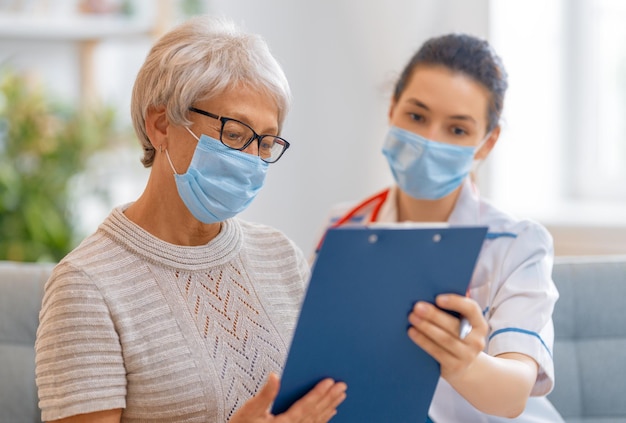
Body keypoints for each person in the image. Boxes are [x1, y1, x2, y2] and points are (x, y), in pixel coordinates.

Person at [35, 16, 347, 423]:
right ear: (161, 124)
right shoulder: (86, 286)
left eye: (266, 142)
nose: (251, 160)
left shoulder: (280, 257)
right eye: (235, 135)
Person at [315, 34, 563, 422]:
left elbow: (514, 392)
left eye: (458, 130)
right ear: (392, 109)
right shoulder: (345, 225)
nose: (430, 140)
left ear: (487, 142)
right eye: (416, 116)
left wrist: (465, 364)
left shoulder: (519, 243)